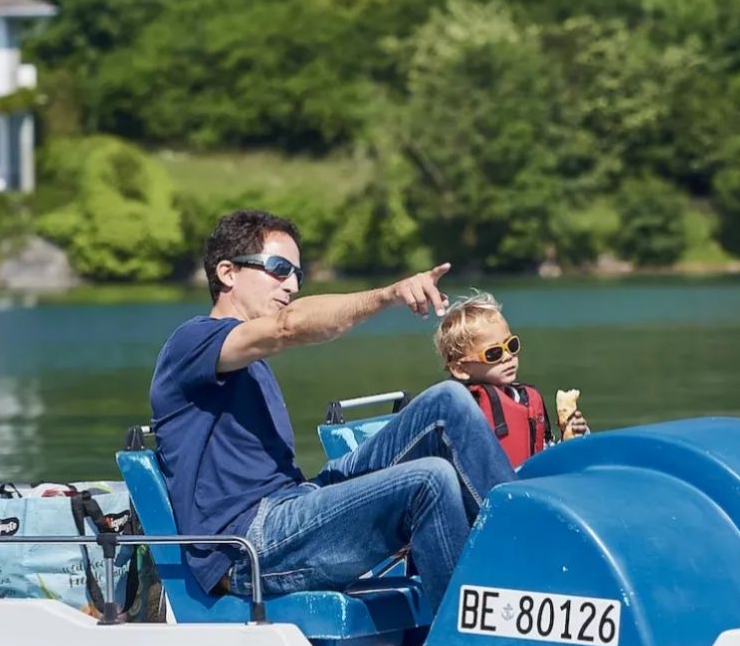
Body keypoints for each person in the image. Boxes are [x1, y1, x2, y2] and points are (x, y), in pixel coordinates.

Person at [149, 209, 518, 614]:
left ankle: (531, 555)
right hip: (248, 545)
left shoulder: (247, 362)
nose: (291, 285)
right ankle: (471, 630)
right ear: (227, 272)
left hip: (296, 502)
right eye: (278, 269)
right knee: (429, 479)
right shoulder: (192, 343)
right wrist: (388, 295)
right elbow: (289, 326)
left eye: (298, 276)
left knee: (447, 401)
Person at [434, 292, 588, 470]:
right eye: (494, 353)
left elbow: (543, 453)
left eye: (511, 345)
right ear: (460, 369)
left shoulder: (524, 398)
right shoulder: (463, 409)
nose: (508, 357)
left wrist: (570, 437)